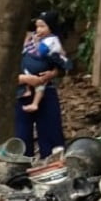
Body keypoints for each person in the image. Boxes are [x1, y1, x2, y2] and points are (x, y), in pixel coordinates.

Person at [15, 11, 66, 158]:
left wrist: (52, 74)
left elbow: (63, 63)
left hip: (46, 90)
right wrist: (24, 79)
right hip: (20, 94)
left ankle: (53, 169)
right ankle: (22, 172)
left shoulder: (44, 39)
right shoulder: (8, 44)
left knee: (52, 135)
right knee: (22, 138)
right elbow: (0, 75)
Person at [19, 12, 71, 113]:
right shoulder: (37, 38)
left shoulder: (51, 39)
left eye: (42, 27)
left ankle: (33, 100)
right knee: (40, 85)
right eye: (37, 27)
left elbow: (43, 52)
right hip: (29, 75)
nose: (38, 30)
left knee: (41, 85)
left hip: (41, 69)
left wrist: (53, 73)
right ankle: (30, 96)